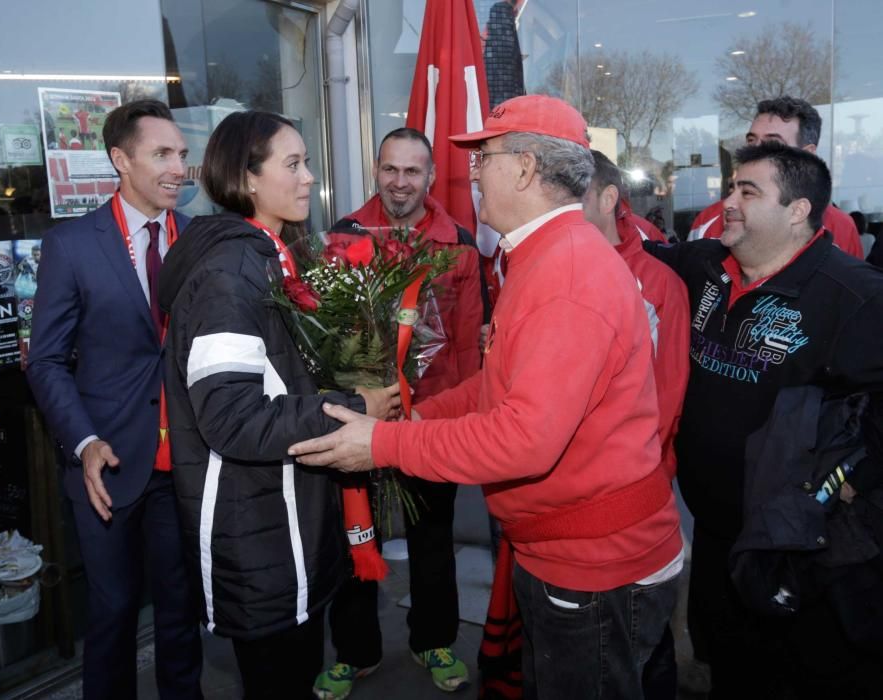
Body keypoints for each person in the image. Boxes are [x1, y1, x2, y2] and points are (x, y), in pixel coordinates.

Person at [290, 94, 684, 699]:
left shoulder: (567, 275)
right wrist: (416, 415)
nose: (472, 173)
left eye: (484, 158)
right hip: (570, 553)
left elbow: (524, 439)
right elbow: (495, 382)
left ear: (525, 168)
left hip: (594, 569)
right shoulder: (545, 256)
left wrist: (385, 443)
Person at [157, 110, 400, 700]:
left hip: (291, 522)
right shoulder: (228, 271)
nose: (310, 177)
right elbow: (231, 419)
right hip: (258, 529)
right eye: (293, 164)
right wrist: (353, 404)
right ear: (246, 179)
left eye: (307, 162)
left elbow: (282, 382)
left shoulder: (274, 254)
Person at [647, 141, 883, 698]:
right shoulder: (703, 266)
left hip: (802, 551)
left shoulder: (856, 296)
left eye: (748, 191)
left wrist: (854, 479)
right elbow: (625, 261)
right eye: (731, 188)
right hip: (714, 532)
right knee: (727, 664)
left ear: (798, 210)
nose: (729, 201)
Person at [26, 100, 202, 698]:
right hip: (106, 466)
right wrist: (84, 441)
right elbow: (45, 360)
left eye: (182, 152)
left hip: (183, 464)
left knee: (182, 612)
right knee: (113, 615)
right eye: (162, 154)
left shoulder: (199, 241)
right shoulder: (72, 245)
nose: (179, 167)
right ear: (120, 160)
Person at [313, 128, 484, 699]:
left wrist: (449, 422)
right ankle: (354, 650)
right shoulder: (344, 236)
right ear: (376, 170)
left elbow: (463, 348)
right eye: (391, 170)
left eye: (413, 172)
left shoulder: (458, 241)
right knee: (353, 532)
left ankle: (433, 639)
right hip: (359, 413)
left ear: (432, 177)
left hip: (429, 418)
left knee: (431, 535)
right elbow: (325, 336)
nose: (401, 182)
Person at [583, 150, 690, 699]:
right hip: (566, 512)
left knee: (641, 646)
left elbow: (667, 397)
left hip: (633, 502)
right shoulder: (543, 266)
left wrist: (645, 483)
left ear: (607, 198)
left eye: (574, 194)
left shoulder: (657, 281)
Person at [687, 96, 864, 259]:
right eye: (751, 141)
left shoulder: (840, 227)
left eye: (772, 144)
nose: (755, 152)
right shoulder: (709, 221)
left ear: (807, 154)